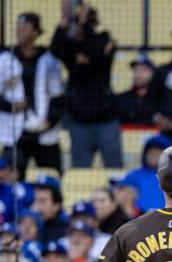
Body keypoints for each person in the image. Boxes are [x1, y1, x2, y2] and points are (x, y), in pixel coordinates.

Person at [0, 12, 64, 179]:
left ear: (36, 32)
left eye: (26, 28)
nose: (20, 31)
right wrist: (12, 106)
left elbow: (58, 98)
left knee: (52, 177)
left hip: (45, 132)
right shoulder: (4, 59)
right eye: (18, 27)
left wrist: (49, 122)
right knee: (11, 179)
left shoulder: (49, 60)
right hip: (13, 132)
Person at [50, 1, 121, 168]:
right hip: (79, 122)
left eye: (81, 22)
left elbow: (95, 54)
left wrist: (82, 23)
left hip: (106, 121)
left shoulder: (104, 39)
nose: (77, 27)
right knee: (79, 171)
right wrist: (63, 21)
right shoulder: (70, 47)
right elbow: (55, 50)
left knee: (114, 169)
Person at [116, 52, 155, 125]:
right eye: (135, 70)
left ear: (152, 73)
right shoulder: (121, 99)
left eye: (143, 70)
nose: (138, 74)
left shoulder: (159, 99)